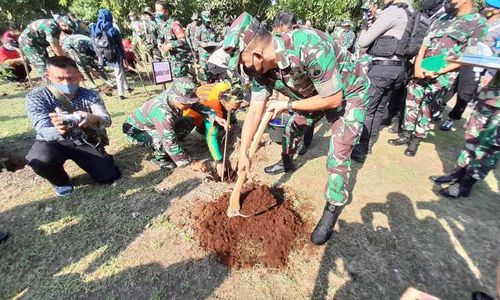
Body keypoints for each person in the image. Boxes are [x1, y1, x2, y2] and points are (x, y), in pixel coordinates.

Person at [222, 12, 369, 245]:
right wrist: (243, 153)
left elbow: (333, 99)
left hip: (348, 93)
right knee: (293, 128)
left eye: (244, 64)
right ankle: (287, 161)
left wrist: (288, 104)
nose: (244, 71)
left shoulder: (308, 46)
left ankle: (332, 209)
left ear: (258, 55)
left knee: (338, 154)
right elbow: (254, 111)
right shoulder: (261, 70)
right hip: (311, 94)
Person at [388, 0, 488, 157]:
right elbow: (424, 45)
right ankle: (406, 134)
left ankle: (416, 140)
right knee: (412, 101)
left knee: (427, 107)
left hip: (443, 75)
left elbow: (469, 56)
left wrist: (440, 71)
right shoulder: (443, 18)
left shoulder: (477, 23)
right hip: (422, 68)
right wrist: (418, 67)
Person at [429, 0, 500, 199]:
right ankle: (459, 172)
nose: (487, 8)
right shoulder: (488, 28)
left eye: (492, 6)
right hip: (488, 93)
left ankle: (468, 182)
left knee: (491, 144)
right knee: (472, 135)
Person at [25, 56, 120, 197]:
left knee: (109, 176)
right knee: (39, 159)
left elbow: (106, 119)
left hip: (82, 140)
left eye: (70, 78)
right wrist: (58, 129)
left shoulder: (89, 95)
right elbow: (42, 129)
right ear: (48, 76)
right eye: (60, 79)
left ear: (79, 75)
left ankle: (102, 158)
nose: (66, 83)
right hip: (53, 142)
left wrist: (92, 118)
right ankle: (61, 181)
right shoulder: (37, 97)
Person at [351, 0, 413, 163]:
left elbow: (363, 41)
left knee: (367, 109)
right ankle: (369, 144)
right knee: (379, 109)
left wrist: (365, 26)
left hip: (382, 69)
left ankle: (360, 149)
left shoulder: (393, 11)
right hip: (399, 68)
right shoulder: (409, 11)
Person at [122, 78, 227, 170]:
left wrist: (215, 116)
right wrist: (191, 163)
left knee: (189, 121)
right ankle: (160, 158)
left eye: (190, 102)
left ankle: (174, 150)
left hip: (156, 126)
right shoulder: (162, 113)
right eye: (185, 103)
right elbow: (169, 141)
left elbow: (198, 106)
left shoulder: (178, 95)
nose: (188, 105)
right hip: (136, 131)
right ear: (174, 98)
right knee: (162, 141)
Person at [270, 11, 317, 156]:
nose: (282, 38)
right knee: (294, 117)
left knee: (309, 114)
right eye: (278, 34)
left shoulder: (306, 44)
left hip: (311, 88)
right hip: (295, 86)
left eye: (283, 33)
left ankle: (306, 142)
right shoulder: (278, 44)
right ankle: (291, 148)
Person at [90, 9, 133, 100]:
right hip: (115, 54)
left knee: (120, 71)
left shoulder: (95, 29)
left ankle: (127, 87)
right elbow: (120, 46)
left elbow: (94, 44)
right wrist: (124, 58)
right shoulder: (112, 30)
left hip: (103, 54)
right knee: (119, 73)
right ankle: (121, 94)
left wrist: (99, 56)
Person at [155, 1, 191, 78]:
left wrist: (170, 45)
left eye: (159, 11)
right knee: (177, 79)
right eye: (156, 10)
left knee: (182, 80)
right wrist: (160, 43)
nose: (157, 13)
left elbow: (182, 40)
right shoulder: (162, 25)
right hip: (173, 58)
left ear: (166, 12)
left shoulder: (174, 24)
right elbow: (160, 37)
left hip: (182, 58)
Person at [196, 11, 219, 82]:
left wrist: (218, 42)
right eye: (206, 21)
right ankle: (207, 84)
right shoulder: (199, 29)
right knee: (205, 71)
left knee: (213, 70)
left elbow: (216, 39)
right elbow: (196, 40)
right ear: (202, 19)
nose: (208, 23)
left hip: (212, 53)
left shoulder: (212, 30)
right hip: (204, 54)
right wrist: (201, 43)